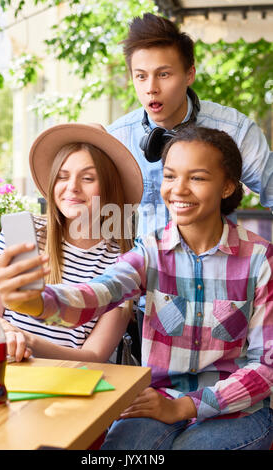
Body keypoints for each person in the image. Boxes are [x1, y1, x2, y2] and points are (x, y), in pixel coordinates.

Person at [0, 126, 273, 450]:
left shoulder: (260, 259)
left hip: (238, 410)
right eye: (170, 176)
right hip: (156, 401)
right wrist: (35, 302)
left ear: (226, 186)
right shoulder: (148, 252)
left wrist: (185, 406)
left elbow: (266, 367)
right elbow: (95, 295)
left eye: (196, 178)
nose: (178, 190)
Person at [106, 12, 273, 335]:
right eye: (140, 77)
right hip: (138, 304)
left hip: (220, 301)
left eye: (164, 74)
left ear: (190, 74)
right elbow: (96, 219)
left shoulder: (235, 130)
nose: (151, 88)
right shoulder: (115, 139)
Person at [0, 123, 143, 363]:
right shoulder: (22, 232)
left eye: (87, 178)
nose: (72, 187)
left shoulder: (124, 261)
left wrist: (27, 341)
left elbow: (94, 357)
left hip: (72, 384)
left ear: (109, 188)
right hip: (7, 374)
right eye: (62, 176)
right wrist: (5, 332)